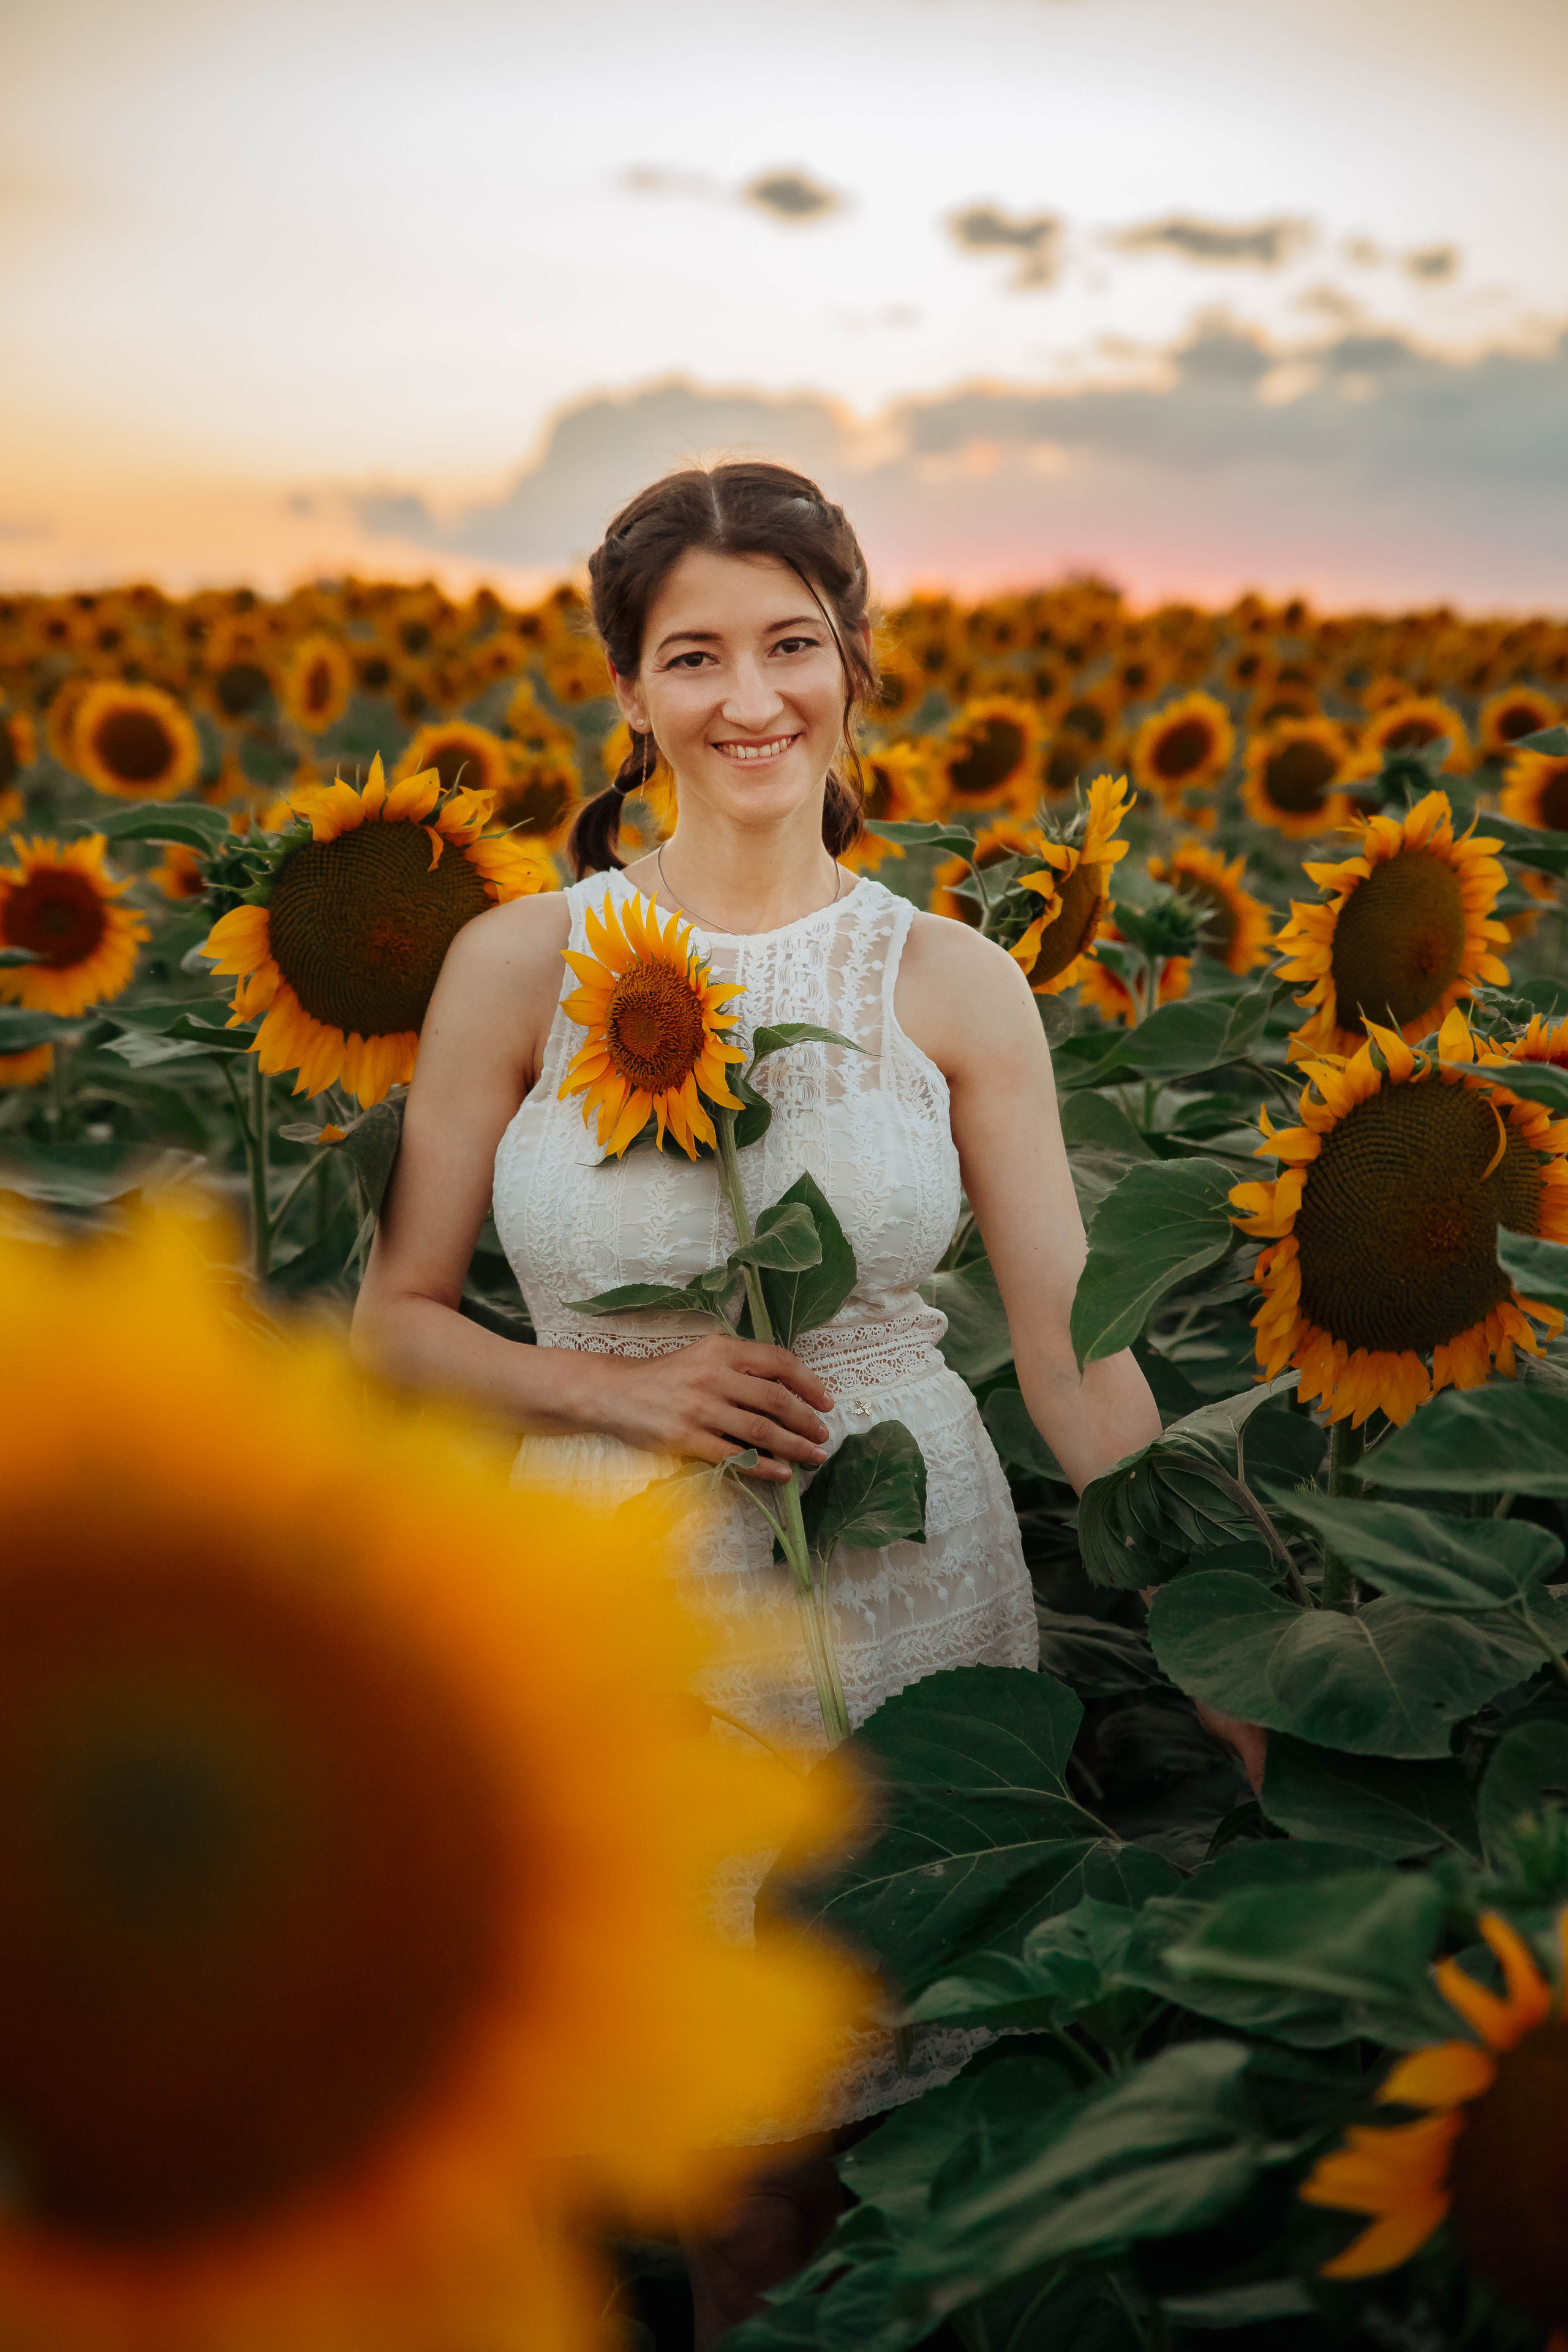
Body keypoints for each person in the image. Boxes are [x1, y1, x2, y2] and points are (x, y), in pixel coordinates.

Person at [352, 460, 1164, 2345]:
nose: (750, 699)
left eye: (791, 643)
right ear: (628, 693)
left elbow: (1071, 1346)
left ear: (856, 662)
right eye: (693, 654)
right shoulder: (523, 965)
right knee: (726, 2186)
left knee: (893, 2158)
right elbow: (393, 1320)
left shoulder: (955, 984)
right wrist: (608, 1388)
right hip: (625, 1612)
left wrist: (1223, 1642)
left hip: (906, 1597)